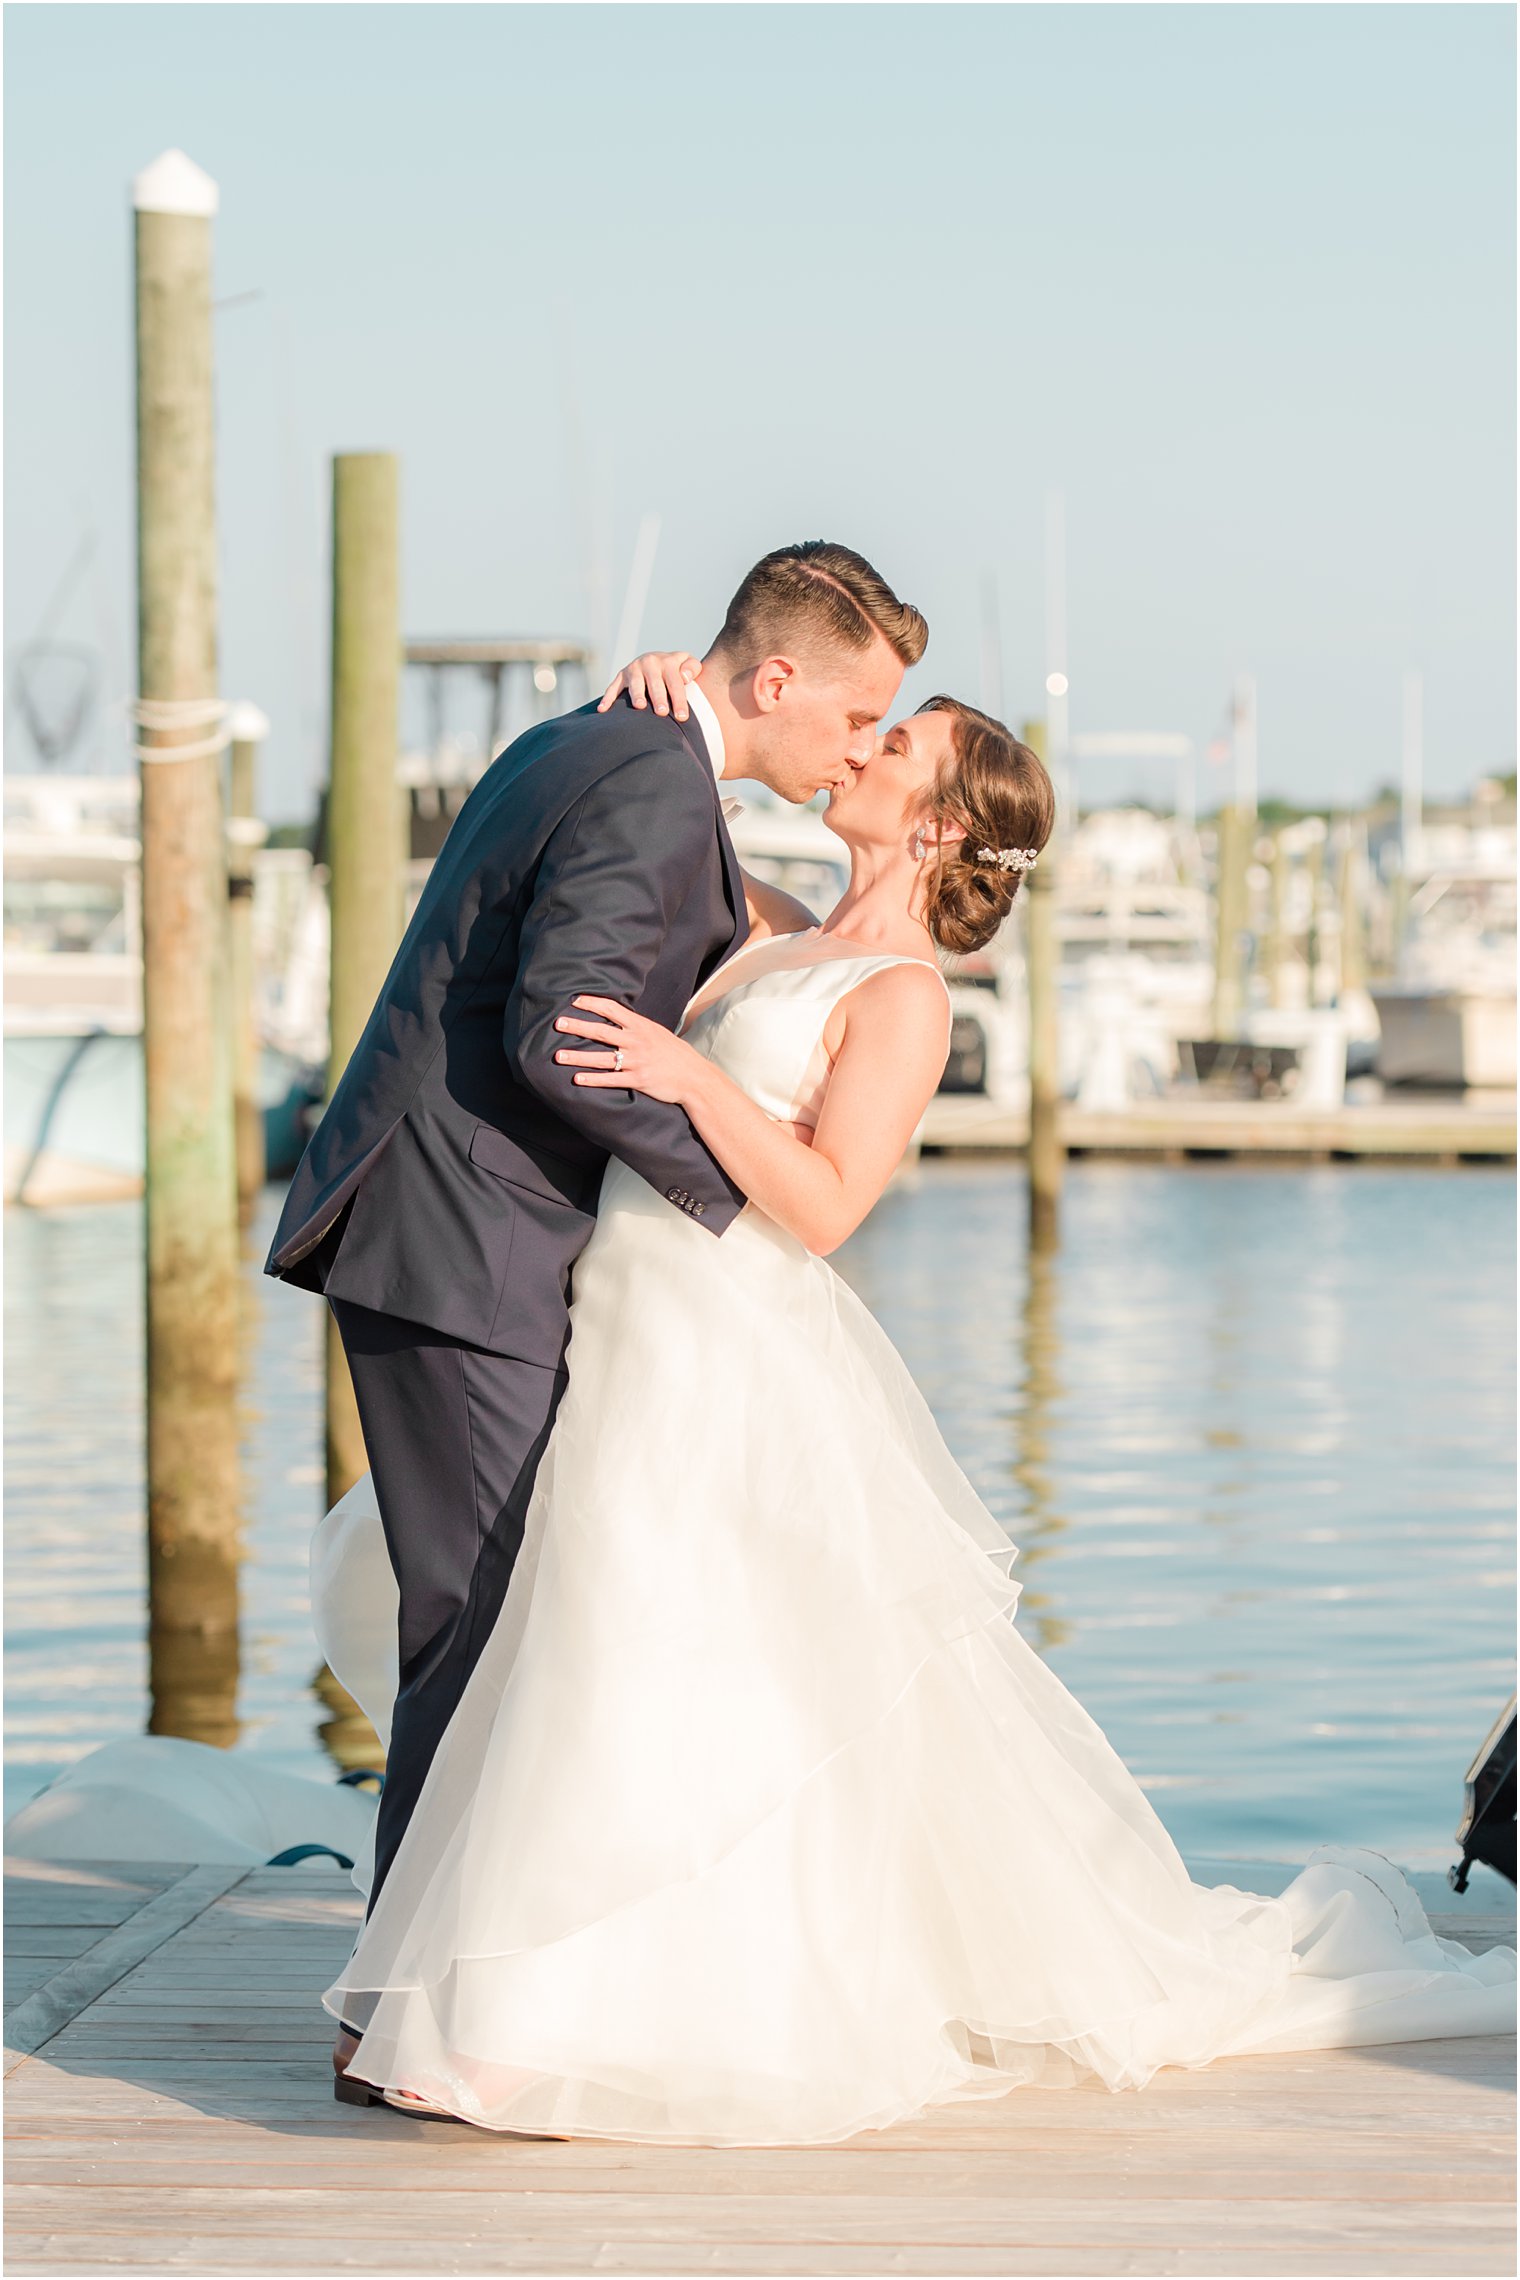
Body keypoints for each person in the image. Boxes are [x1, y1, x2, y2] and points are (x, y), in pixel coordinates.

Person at [318, 655, 1513, 2142]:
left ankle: (526, 2021)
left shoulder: (903, 997)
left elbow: (822, 1205)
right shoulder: (771, 928)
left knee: (651, 1642)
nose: (864, 751)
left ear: (941, 825)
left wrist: (694, 1084)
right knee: (601, 1641)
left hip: (722, 1336)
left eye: (897, 747)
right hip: (615, 1315)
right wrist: (661, 679)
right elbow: (670, 807)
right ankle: (539, 1996)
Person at [263, 543, 928, 2097]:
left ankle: (411, 2005)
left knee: (491, 1623)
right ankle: (399, 2019)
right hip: (466, 1244)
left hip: (473, 1242)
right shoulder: (643, 772)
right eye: (853, 718)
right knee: (480, 1631)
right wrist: (734, 1205)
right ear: (773, 683)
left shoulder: (619, 748)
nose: (854, 750)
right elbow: (565, 1039)